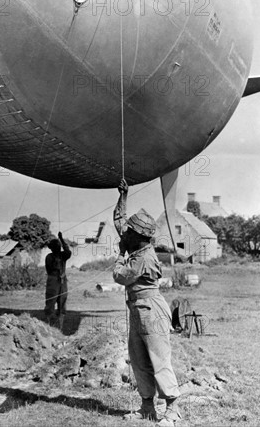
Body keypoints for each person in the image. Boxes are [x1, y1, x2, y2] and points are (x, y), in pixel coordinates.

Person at [113, 179, 181, 427]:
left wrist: (120, 253)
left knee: (158, 357)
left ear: (139, 237)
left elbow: (119, 276)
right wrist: (123, 196)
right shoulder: (137, 246)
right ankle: (147, 407)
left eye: (129, 233)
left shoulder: (144, 259)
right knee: (139, 358)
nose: (125, 234)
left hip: (151, 309)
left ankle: (172, 410)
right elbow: (119, 222)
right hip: (138, 308)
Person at [44, 231, 72, 329]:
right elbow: (51, 268)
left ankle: (59, 326)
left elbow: (68, 252)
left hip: (62, 281)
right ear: (52, 248)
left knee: (62, 302)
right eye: (56, 246)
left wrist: (61, 239)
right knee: (50, 302)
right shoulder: (49, 257)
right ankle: (50, 325)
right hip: (53, 280)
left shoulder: (62, 255)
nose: (58, 247)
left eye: (59, 245)